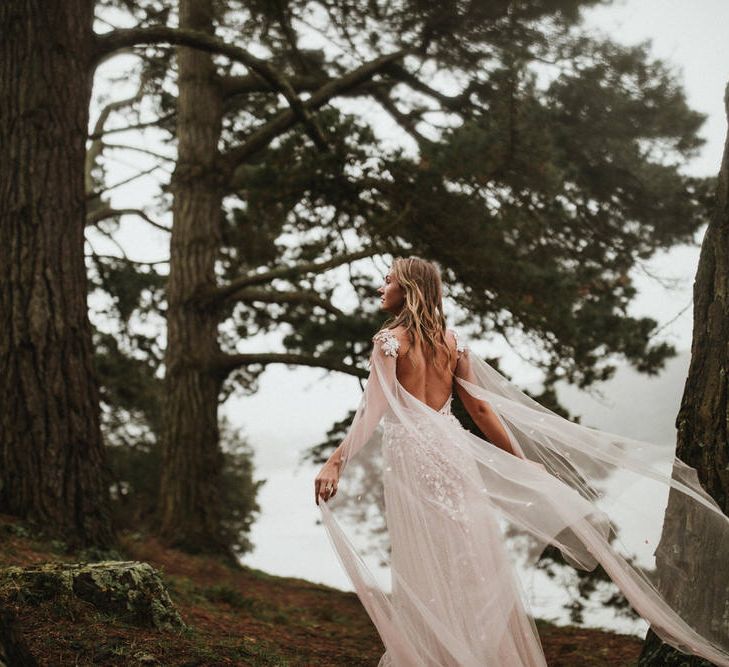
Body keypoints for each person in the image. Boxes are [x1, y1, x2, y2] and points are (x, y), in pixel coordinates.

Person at [315, 256, 729, 667]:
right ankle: (465, 651)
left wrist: (337, 461)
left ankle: (435, 655)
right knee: (469, 554)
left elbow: (373, 408)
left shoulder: (390, 341)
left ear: (407, 288)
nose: (380, 288)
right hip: (452, 450)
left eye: (387, 281)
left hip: (410, 456)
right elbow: (479, 412)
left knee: (423, 556)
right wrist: (519, 460)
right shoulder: (450, 342)